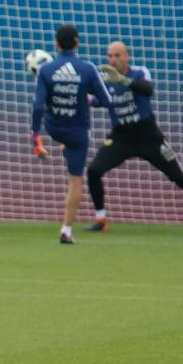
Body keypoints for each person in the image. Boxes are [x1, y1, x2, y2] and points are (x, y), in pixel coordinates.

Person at [86, 41, 183, 234]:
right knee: (94, 170)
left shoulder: (139, 72)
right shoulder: (105, 78)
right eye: (110, 56)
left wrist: (123, 80)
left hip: (148, 136)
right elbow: (97, 100)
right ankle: (101, 219)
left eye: (117, 55)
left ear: (126, 57)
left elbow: (148, 89)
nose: (113, 59)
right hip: (121, 137)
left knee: (180, 178)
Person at [31, 24, 113, 244]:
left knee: (60, 134)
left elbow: (38, 106)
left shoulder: (45, 70)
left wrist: (36, 139)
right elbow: (106, 101)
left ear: (56, 44)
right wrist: (88, 99)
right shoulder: (87, 68)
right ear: (77, 43)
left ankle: (62, 144)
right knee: (75, 181)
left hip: (53, 128)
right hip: (78, 133)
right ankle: (66, 230)